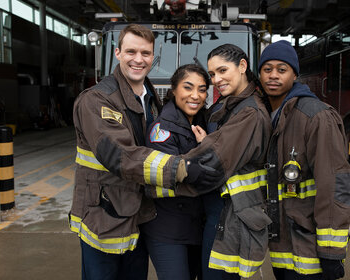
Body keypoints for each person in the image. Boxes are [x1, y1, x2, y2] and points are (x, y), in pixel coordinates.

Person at [69, 24, 221, 280]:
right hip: (103, 218)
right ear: (117, 53)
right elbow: (121, 156)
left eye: (146, 53)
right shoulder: (96, 100)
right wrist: (183, 168)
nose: (138, 60)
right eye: (131, 51)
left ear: (153, 56)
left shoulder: (150, 98)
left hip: (137, 217)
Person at [258, 40, 350, 280]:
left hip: (311, 252)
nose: (273, 75)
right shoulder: (265, 114)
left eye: (282, 70)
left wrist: (331, 252)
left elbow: (335, 184)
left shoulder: (316, 116)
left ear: (294, 75)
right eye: (267, 69)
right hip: (283, 250)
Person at [184, 44, 273, 279]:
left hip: (230, 215)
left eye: (223, 71)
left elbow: (214, 160)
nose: (216, 79)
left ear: (242, 66)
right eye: (212, 74)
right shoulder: (231, 104)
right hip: (219, 210)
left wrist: (162, 169)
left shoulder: (250, 113)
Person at [140, 64, 210, 280]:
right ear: (174, 90)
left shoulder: (204, 120)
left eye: (202, 89)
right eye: (188, 88)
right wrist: (207, 149)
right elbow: (185, 175)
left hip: (196, 224)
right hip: (167, 229)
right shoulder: (161, 130)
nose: (195, 96)